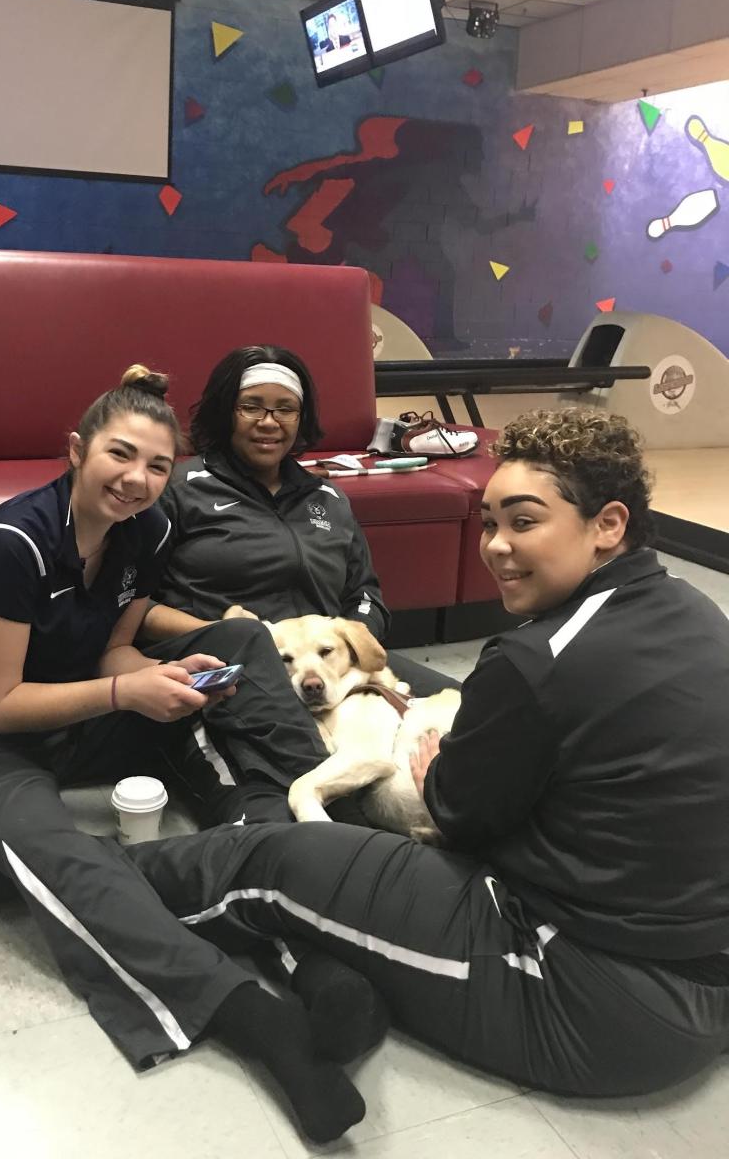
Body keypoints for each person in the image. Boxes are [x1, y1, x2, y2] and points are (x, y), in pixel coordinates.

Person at [120, 408, 729, 1101]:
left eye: (523, 522)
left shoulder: (532, 661)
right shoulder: (698, 610)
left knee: (276, 852)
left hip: (591, 1000)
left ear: (608, 525)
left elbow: (458, 816)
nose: (496, 546)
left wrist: (441, 770)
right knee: (419, 700)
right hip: (697, 961)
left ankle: (79, 870)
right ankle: (327, 968)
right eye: (491, 523)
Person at [0, 366, 376, 1144]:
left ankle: (309, 945)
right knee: (57, 845)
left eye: (158, 466)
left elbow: (114, 652)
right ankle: (255, 1018)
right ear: (76, 450)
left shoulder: (145, 531)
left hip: (81, 718)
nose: (138, 479)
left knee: (230, 672)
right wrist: (131, 695)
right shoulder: (12, 542)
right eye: (120, 456)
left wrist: (160, 676)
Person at [144, 345, 458, 701]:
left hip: (330, 670)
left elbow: (365, 594)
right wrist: (229, 634)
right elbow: (135, 608)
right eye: (250, 406)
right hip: (231, 670)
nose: (269, 422)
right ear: (225, 412)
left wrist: (351, 640)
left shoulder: (327, 497)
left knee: (468, 708)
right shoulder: (179, 490)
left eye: (285, 409)